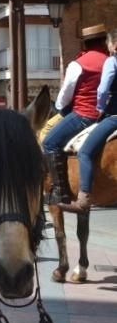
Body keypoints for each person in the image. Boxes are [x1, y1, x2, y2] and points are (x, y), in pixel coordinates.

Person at [44, 24, 111, 209]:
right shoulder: (109, 60)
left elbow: (65, 96)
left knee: (49, 142)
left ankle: (60, 191)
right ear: (104, 41)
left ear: (85, 43)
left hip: (84, 115)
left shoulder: (78, 64)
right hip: (106, 116)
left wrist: (59, 108)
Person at [59, 27, 117, 213]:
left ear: (114, 45)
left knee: (84, 152)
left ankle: (83, 199)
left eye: (109, 43)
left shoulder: (112, 61)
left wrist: (100, 107)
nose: (107, 47)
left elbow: (102, 89)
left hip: (114, 116)